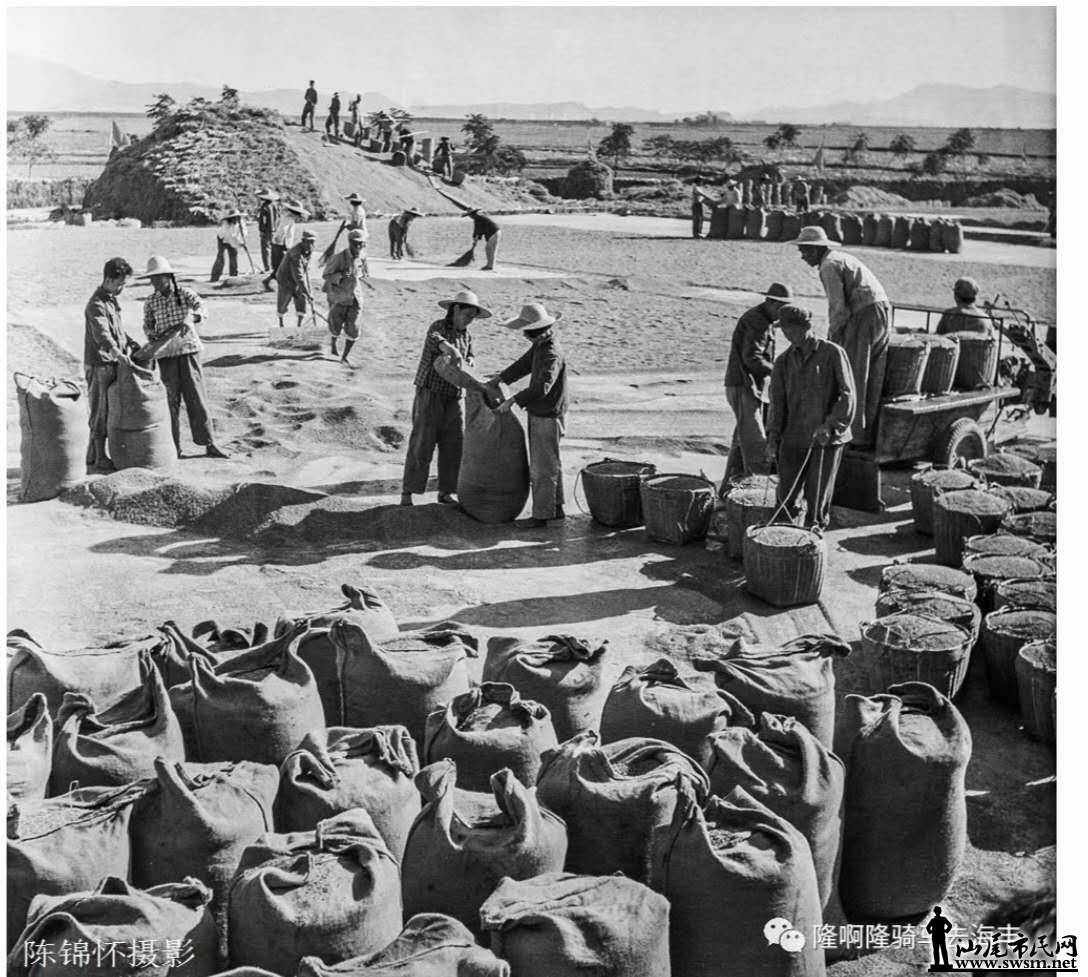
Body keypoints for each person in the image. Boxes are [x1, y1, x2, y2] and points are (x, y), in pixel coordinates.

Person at [795, 225, 890, 448]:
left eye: (804, 251)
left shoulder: (828, 265)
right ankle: (866, 435)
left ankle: (852, 435)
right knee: (872, 375)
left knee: (853, 374)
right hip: (881, 311)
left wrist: (830, 341)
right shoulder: (840, 258)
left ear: (815, 249)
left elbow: (838, 309)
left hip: (864, 314)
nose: (802, 256)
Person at [765, 304, 856, 530]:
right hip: (793, 437)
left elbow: (847, 394)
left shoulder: (833, 353)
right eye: (785, 331)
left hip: (826, 440)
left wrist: (830, 424)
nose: (788, 335)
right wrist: (773, 437)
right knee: (785, 496)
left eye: (792, 330)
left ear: (806, 327)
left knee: (817, 499)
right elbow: (777, 404)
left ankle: (813, 534)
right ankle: (783, 535)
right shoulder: (783, 362)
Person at [400, 289, 491, 507]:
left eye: (472, 317)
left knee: (453, 444)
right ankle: (408, 492)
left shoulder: (466, 335)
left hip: (454, 395)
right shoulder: (438, 326)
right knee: (422, 442)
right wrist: (449, 348)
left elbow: (469, 354)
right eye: (467, 315)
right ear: (456, 309)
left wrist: (470, 360)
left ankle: (446, 491)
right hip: (430, 392)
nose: (469, 320)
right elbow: (436, 339)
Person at [138, 255, 229, 460]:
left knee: (196, 397)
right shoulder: (151, 301)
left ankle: (209, 443)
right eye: (152, 279)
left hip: (188, 351)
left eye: (158, 278)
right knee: (170, 401)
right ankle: (174, 447)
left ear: (168, 277)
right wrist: (152, 335)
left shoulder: (186, 293)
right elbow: (147, 324)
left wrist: (192, 318)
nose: (154, 282)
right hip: (166, 355)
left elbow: (202, 308)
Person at [491, 303, 568, 529]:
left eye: (526, 331)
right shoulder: (542, 344)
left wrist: (513, 400)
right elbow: (523, 365)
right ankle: (556, 508)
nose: (524, 335)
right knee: (551, 462)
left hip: (548, 415)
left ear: (534, 331)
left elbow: (541, 388)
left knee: (542, 467)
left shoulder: (551, 353)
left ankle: (542, 515)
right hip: (543, 411)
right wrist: (501, 378)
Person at [721, 282, 792, 489]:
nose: (783, 314)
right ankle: (756, 491)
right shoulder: (757, 321)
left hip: (747, 387)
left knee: (740, 443)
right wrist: (779, 372)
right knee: (755, 446)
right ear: (770, 302)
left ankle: (727, 489)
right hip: (743, 386)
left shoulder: (765, 320)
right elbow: (752, 358)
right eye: (782, 308)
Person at [84, 257, 142, 472]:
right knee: (101, 411)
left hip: (111, 362)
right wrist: (119, 354)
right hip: (101, 364)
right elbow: (103, 336)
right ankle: (100, 457)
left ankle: (92, 454)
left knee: (108, 409)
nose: (121, 289)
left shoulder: (110, 300)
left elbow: (117, 330)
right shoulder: (96, 304)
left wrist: (131, 343)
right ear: (108, 279)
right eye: (119, 284)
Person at [322, 229, 373, 363]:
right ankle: (333, 342)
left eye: (361, 243)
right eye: (355, 243)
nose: (358, 246)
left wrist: (364, 279)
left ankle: (345, 357)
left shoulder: (362, 257)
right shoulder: (338, 258)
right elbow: (326, 275)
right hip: (339, 298)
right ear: (350, 242)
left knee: (354, 329)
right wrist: (341, 276)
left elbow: (363, 273)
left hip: (355, 298)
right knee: (335, 326)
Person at [275, 229, 317, 328]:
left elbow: (304, 271)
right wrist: (308, 293)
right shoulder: (295, 254)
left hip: (297, 277)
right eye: (308, 242)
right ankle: (281, 324)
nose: (311, 244)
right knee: (284, 300)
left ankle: (299, 325)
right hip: (285, 279)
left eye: (313, 242)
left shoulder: (309, 250)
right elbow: (298, 276)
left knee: (302, 299)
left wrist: (307, 292)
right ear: (303, 241)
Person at [262, 201, 307, 291]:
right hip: (281, 246)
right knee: (282, 267)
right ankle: (283, 286)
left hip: (281, 245)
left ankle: (268, 282)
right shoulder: (288, 219)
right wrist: (284, 247)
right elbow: (282, 232)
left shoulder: (287, 218)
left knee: (280, 267)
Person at [210, 209, 247, 282]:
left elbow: (243, 232)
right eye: (234, 217)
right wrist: (239, 244)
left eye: (237, 217)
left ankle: (233, 276)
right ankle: (214, 278)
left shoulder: (241, 223)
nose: (236, 219)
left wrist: (243, 241)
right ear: (231, 218)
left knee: (234, 256)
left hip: (233, 240)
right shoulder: (226, 224)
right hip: (223, 240)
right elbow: (229, 237)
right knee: (221, 257)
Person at [255, 189, 281, 273]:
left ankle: (267, 268)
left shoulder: (265, 206)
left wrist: (261, 230)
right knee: (273, 249)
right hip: (275, 230)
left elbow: (263, 220)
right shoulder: (275, 205)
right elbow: (278, 217)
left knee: (265, 250)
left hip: (266, 230)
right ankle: (274, 267)